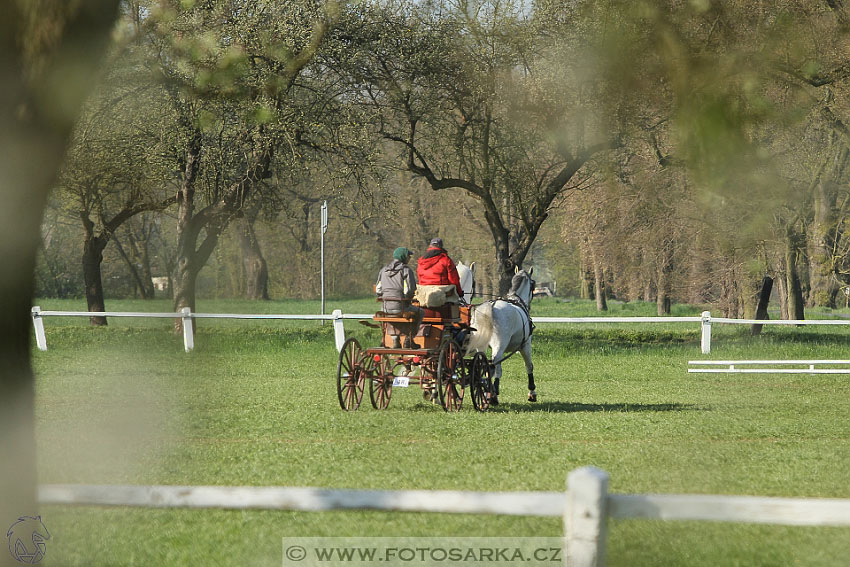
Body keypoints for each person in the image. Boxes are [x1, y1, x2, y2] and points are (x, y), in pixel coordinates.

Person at [376, 247, 424, 348]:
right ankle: (409, 339)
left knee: (391, 316)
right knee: (420, 312)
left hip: (385, 308)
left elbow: (378, 290)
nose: (409, 258)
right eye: (408, 256)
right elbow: (410, 290)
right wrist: (408, 299)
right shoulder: (406, 270)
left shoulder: (383, 270)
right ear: (403, 257)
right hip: (400, 307)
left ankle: (395, 341)